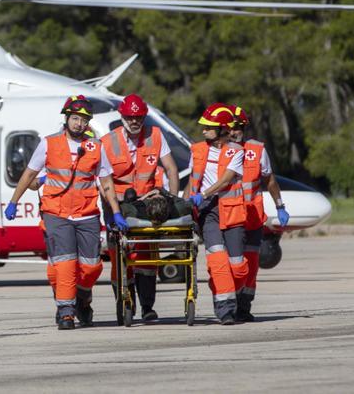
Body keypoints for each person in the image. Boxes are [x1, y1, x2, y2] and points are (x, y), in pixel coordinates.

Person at [4, 96, 123, 330]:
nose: (79, 124)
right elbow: (29, 174)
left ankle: (82, 297)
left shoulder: (96, 147)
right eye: (75, 118)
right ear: (66, 118)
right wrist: (13, 201)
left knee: (91, 267)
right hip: (56, 213)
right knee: (66, 263)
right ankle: (66, 312)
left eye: (84, 120)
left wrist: (116, 212)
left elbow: (106, 182)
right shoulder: (49, 143)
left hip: (87, 213)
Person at [100, 94, 182, 322]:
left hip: (145, 207)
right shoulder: (107, 141)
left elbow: (171, 169)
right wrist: (110, 213)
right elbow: (103, 181)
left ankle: (148, 307)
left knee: (146, 259)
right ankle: (125, 304)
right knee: (119, 260)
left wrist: (173, 202)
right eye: (130, 117)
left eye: (138, 117)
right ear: (122, 116)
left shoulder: (155, 135)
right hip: (118, 207)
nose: (134, 121)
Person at [187, 103, 248, 325]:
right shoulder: (197, 150)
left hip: (231, 211)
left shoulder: (237, 152)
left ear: (221, 128)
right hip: (207, 211)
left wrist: (202, 193)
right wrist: (186, 203)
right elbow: (192, 179)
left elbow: (226, 179)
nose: (203, 131)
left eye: (208, 127)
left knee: (237, 266)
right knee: (218, 259)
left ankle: (227, 290)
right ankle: (225, 311)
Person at [229, 106, 290, 322]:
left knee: (252, 264)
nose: (232, 132)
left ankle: (244, 306)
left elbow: (269, 180)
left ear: (243, 128)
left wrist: (280, 206)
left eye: (237, 127)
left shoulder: (256, 150)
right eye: (228, 127)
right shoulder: (217, 152)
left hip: (253, 218)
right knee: (233, 265)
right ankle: (229, 304)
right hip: (228, 219)